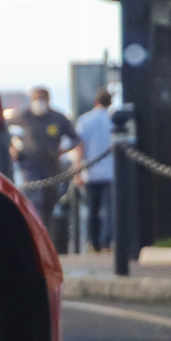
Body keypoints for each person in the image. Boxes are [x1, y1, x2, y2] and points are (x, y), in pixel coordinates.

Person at [12, 86, 79, 242]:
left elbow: (75, 139)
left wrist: (63, 150)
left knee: (49, 202)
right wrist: (13, 147)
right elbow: (5, 129)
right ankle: (35, 237)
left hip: (51, 167)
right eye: (36, 98)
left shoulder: (59, 118)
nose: (39, 102)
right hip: (30, 166)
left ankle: (45, 236)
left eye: (42, 99)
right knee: (36, 201)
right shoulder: (23, 116)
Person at [74, 89, 117, 252]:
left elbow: (80, 147)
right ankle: (107, 241)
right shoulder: (112, 119)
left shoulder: (84, 120)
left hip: (90, 172)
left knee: (92, 210)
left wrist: (77, 171)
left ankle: (93, 242)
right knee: (109, 209)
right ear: (110, 103)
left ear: (95, 101)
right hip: (110, 171)